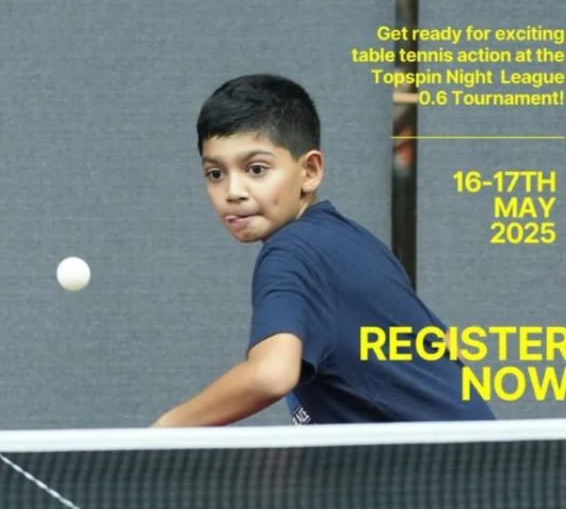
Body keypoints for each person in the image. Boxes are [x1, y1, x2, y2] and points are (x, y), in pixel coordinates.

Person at [151, 74, 495, 426]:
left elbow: (271, 374)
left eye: (256, 169)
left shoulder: (292, 251)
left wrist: (163, 431)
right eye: (215, 174)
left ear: (310, 171)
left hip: (447, 459)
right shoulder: (347, 242)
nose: (233, 191)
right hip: (465, 454)